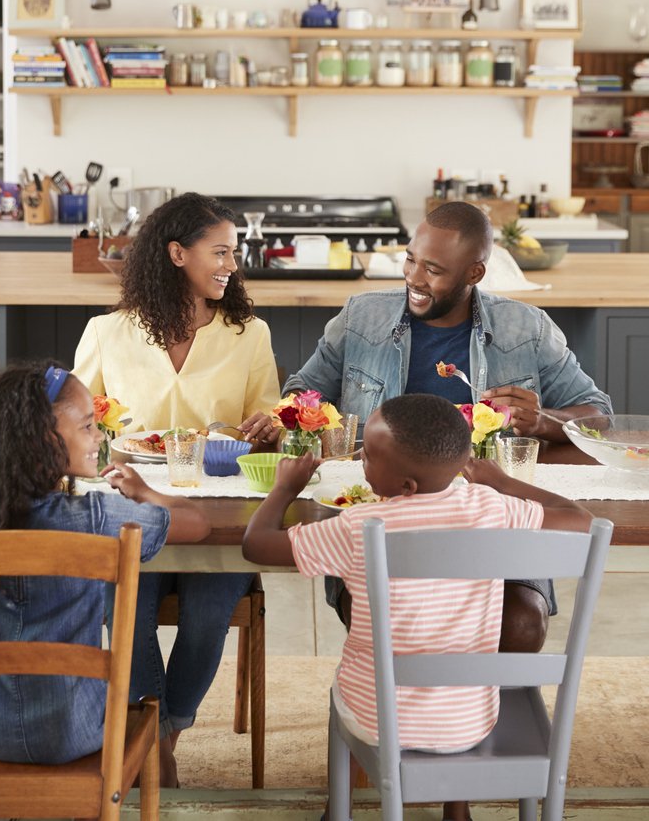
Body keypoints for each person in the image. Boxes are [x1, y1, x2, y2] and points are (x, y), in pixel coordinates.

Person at [242, 393, 592, 821]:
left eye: (368, 455)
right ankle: (455, 807)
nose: (360, 460)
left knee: (343, 684)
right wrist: (500, 481)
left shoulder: (357, 526)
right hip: (469, 723)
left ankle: (340, 809)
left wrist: (284, 488)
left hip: (378, 722)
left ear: (406, 486)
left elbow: (256, 545)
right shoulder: (490, 507)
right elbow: (581, 520)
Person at [282, 200, 613, 644]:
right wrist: (296, 417)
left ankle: (491, 711)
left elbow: (597, 414)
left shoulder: (525, 328)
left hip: (489, 513)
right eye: (410, 259)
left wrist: (544, 420)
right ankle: (398, 709)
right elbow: (303, 390)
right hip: (385, 514)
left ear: (474, 274)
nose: (414, 279)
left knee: (521, 621)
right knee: (386, 615)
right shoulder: (362, 317)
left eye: (433, 270)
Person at [0, 362, 209, 766]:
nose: (99, 437)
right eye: (88, 427)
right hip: (78, 733)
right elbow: (197, 525)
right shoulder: (95, 517)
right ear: (43, 437)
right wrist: (143, 492)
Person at [73, 191, 281, 785]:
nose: (231, 265)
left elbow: (265, 419)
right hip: (131, 501)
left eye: (233, 253)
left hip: (217, 505)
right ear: (175, 253)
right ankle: (154, 741)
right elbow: (76, 420)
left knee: (210, 610)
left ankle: (164, 733)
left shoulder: (249, 334)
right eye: (219, 252)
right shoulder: (108, 332)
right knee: (128, 607)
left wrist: (266, 426)